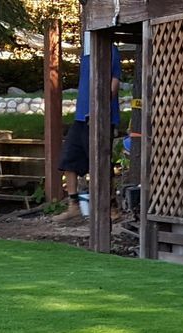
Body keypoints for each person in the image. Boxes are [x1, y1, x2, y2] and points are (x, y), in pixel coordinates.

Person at [58, 42, 121, 221]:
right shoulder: (85, 53)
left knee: (100, 162)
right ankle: (74, 205)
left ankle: (112, 207)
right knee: (68, 159)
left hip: (101, 118)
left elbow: (114, 82)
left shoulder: (110, 49)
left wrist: (100, 109)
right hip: (80, 118)